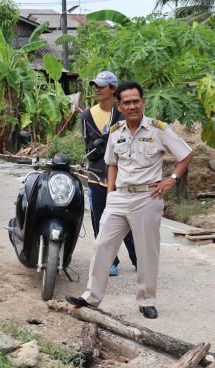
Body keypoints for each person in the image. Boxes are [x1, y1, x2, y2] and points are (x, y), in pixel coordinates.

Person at [65, 80, 193, 319]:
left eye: (136, 101)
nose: (132, 106)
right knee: (102, 245)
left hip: (147, 197)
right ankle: (91, 297)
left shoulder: (159, 130)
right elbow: (112, 164)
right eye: (127, 102)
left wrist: (171, 179)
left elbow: (186, 154)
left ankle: (146, 300)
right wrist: (111, 193)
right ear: (119, 105)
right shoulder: (116, 132)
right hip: (119, 197)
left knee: (146, 252)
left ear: (143, 102)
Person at [81, 71, 137, 276]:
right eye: (95, 85)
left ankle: (137, 259)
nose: (97, 89)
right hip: (97, 177)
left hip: (122, 177)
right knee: (101, 222)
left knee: (128, 221)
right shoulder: (86, 116)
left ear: (113, 90)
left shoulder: (123, 112)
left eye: (102, 86)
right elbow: (87, 147)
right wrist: (96, 148)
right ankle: (110, 261)